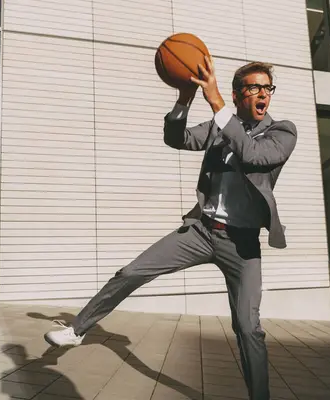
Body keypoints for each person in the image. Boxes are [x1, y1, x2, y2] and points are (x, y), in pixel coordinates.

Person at [43, 57, 298, 400]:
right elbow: (176, 139)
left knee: (248, 328)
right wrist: (184, 98)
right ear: (240, 95)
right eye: (253, 87)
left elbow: (253, 156)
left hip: (242, 244)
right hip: (201, 231)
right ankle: (77, 329)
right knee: (131, 271)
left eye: (266, 87)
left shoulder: (282, 131)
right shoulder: (219, 125)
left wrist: (216, 100)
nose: (262, 93)